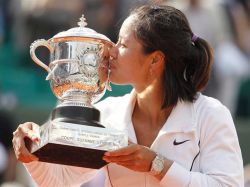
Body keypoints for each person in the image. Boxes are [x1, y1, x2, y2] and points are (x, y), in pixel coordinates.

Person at [12, 4, 244, 187]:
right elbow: (59, 181)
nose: (110, 51)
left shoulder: (211, 115)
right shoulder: (106, 113)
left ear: (155, 60)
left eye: (122, 44)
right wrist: (32, 153)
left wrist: (157, 164)